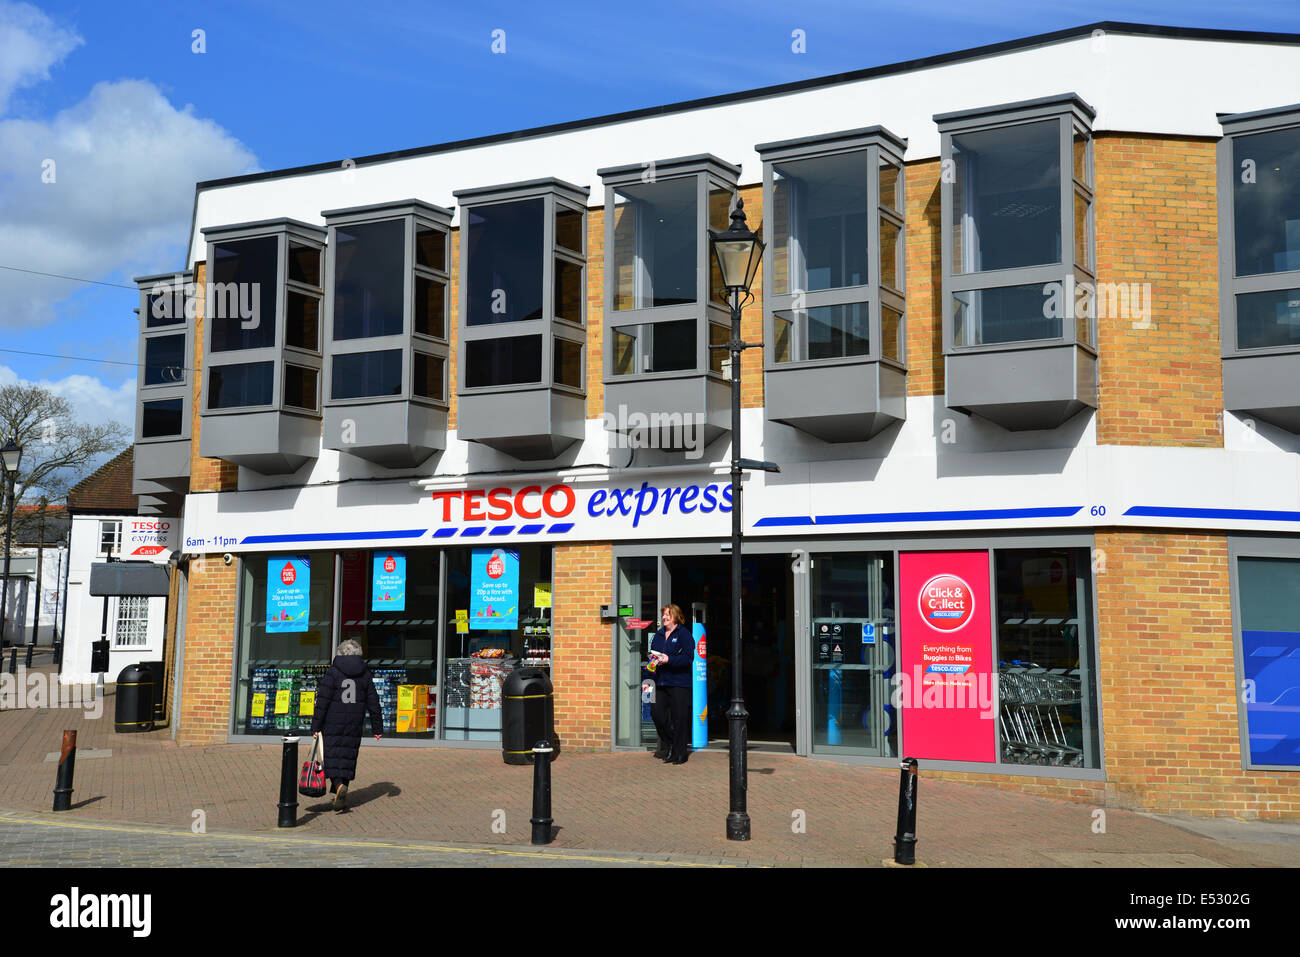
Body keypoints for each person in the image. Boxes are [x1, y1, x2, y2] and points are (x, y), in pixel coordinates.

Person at [310, 639, 383, 811]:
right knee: (348, 756)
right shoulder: (364, 674)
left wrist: (316, 726)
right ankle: (342, 788)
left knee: (332, 755)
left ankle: (337, 785)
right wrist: (377, 728)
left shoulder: (333, 672)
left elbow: (323, 701)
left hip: (332, 722)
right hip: (354, 722)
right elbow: (373, 702)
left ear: (340, 652)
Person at [649, 604, 694, 765]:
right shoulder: (659, 635)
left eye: (667, 614)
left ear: (675, 616)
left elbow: (689, 658)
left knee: (679, 718)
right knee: (657, 714)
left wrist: (670, 660)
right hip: (659, 682)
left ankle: (680, 752)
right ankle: (670, 745)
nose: (664, 617)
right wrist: (647, 680)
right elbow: (652, 659)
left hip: (679, 683)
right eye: (663, 615)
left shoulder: (684, 634)